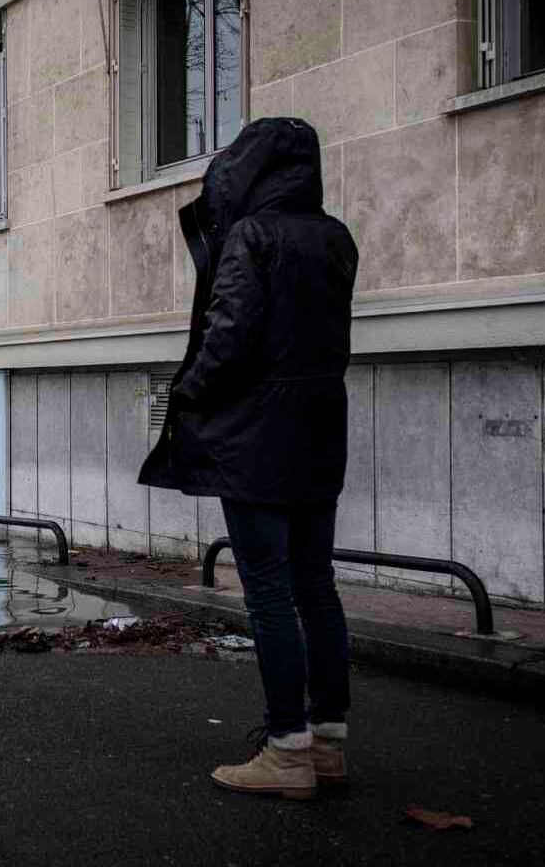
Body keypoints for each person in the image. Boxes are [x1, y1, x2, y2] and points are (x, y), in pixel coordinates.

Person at [139, 117, 359, 801]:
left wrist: (188, 392)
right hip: (319, 427)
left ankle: (284, 749)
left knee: (266, 590)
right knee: (314, 586)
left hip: (257, 435)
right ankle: (325, 744)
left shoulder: (250, 236)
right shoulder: (334, 237)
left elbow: (229, 334)